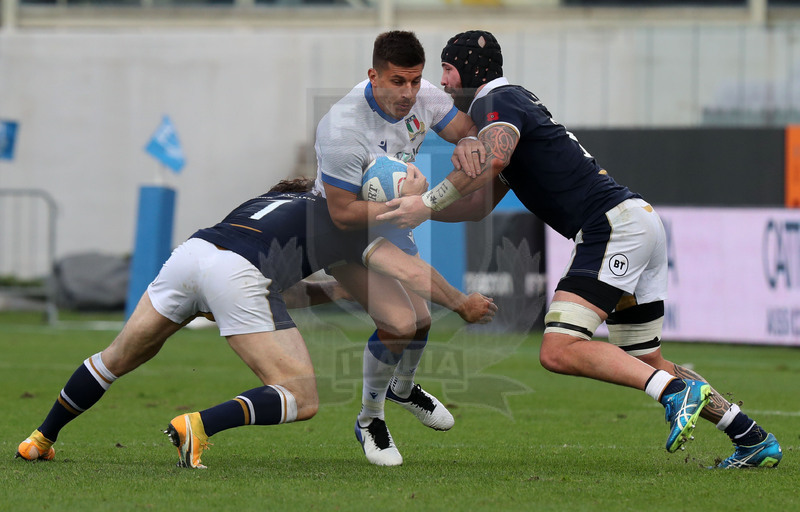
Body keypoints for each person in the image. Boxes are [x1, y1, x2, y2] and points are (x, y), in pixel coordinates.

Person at [378, 30, 782, 469]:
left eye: (447, 69)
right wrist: (414, 212)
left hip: (611, 227)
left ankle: (675, 392)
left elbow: (493, 158)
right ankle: (751, 437)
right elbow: (477, 206)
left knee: (558, 349)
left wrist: (426, 201)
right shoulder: (508, 107)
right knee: (647, 360)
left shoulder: (494, 100)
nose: (444, 82)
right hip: (636, 221)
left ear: (470, 69)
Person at [15, 177, 497, 469]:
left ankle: (39, 439)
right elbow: (409, 271)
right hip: (238, 275)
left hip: (192, 254)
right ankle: (198, 426)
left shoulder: (272, 204)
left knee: (114, 359)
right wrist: (461, 304)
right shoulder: (344, 219)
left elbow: (274, 290)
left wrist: (333, 291)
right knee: (302, 397)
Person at [313, 30, 485, 466]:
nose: (409, 93)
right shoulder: (342, 127)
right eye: (397, 82)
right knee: (399, 323)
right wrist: (410, 203)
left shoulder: (423, 96)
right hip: (339, 227)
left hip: (389, 218)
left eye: (415, 80)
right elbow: (340, 213)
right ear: (374, 76)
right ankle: (369, 419)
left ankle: (402, 389)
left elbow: (466, 129)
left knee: (421, 322)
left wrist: (468, 141)